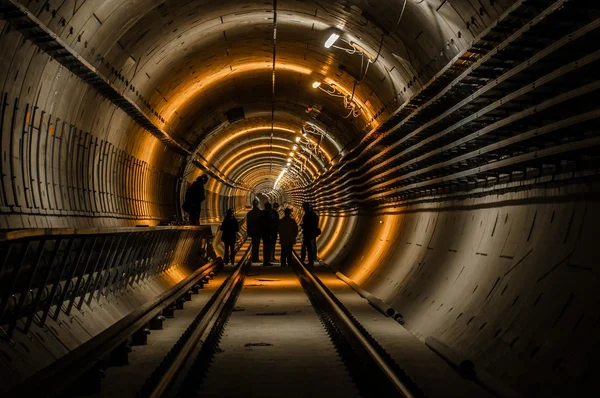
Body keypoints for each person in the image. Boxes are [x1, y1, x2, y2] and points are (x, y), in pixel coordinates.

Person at [301, 202, 319, 266]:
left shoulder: (307, 215)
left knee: (306, 246)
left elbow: (306, 224)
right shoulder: (314, 214)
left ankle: (304, 260)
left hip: (308, 233)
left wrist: (303, 226)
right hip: (312, 232)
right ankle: (312, 259)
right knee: (311, 245)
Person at [261, 202, 279, 267]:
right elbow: (277, 223)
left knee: (266, 247)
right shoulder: (274, 213)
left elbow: (260, 223)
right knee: (270, 246)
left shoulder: (262, 213)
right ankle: (268, 260)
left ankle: (266, 260)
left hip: (265, 233)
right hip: (272, 232)